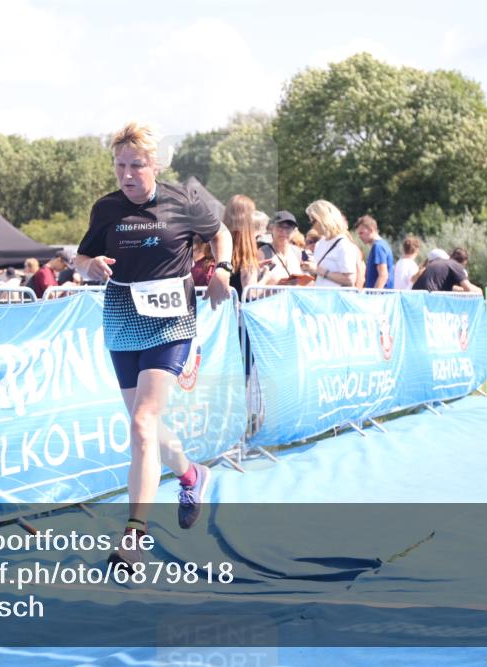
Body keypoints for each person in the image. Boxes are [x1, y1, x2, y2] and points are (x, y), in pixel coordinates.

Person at [73, 121, 232, 567]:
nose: (127, 174)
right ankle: (190, 472)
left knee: (143, 421)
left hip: (171, 323)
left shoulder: (185, 200)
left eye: (136, 165)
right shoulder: (105, 209)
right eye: (120, 165)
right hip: (123, 320)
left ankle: (134, 539)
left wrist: (223, 269)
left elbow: (220, 233)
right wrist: (88, 266)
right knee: (145, 427)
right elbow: (81, 255)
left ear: (155, 164)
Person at [301, 200, 360, 287]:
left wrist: (318, 270)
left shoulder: (343, 244)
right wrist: (310, 268)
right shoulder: (320, 243)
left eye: (313, 221)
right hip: (322, 297)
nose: (312, 226)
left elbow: (350, 279)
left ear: (323, 219)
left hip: (336, 298)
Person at [262, 211, 310, 285]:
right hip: (270, 296)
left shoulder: (297, 252)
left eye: (288, 228)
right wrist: (277, 285)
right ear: (272, 228)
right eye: (280, 226)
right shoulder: (262, 252)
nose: (284, 231)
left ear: (294, 231)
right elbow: (255, 288)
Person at [413, 247, 482, 293]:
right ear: (463, 263)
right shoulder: (455, 265)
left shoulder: (441, 263)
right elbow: (469, 289)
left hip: (418, 297)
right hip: (430, 299)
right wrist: (479, 290)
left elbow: (445, 286)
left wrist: (461, 289)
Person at [355, 214, 394, 289]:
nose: (359, 236)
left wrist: (374, 295)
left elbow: (383, 275)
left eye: (361, 233)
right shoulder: (381, 245)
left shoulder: (378, 247)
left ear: (371, 230)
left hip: (380, 297)